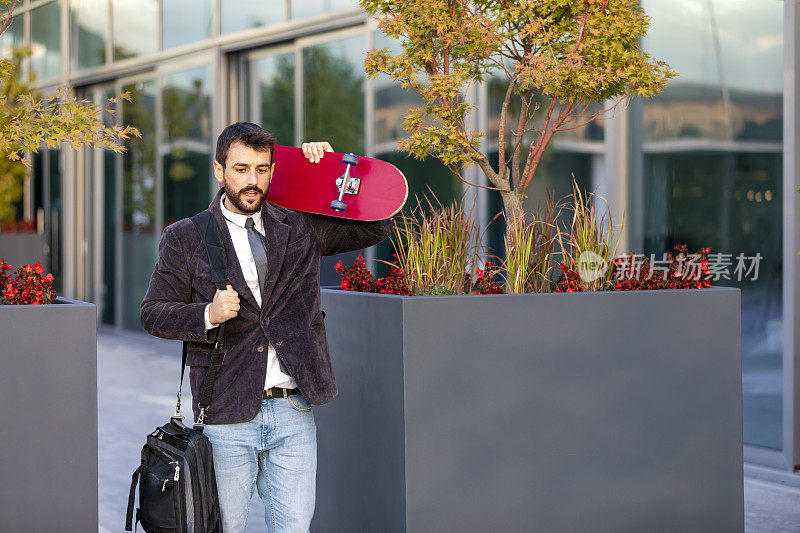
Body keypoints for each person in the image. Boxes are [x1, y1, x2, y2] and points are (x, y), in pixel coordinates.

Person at [140, 122, 392, 532]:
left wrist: (329, 173)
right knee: (226, 528)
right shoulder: (185, 237)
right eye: (241, 169)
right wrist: (207, 314)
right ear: (219, 171)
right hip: (224, 412)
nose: (252, 181)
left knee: (293, 526)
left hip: (293, 408)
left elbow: (377, 224)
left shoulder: (301, 225)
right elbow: (152, 313)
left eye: (262, 169)